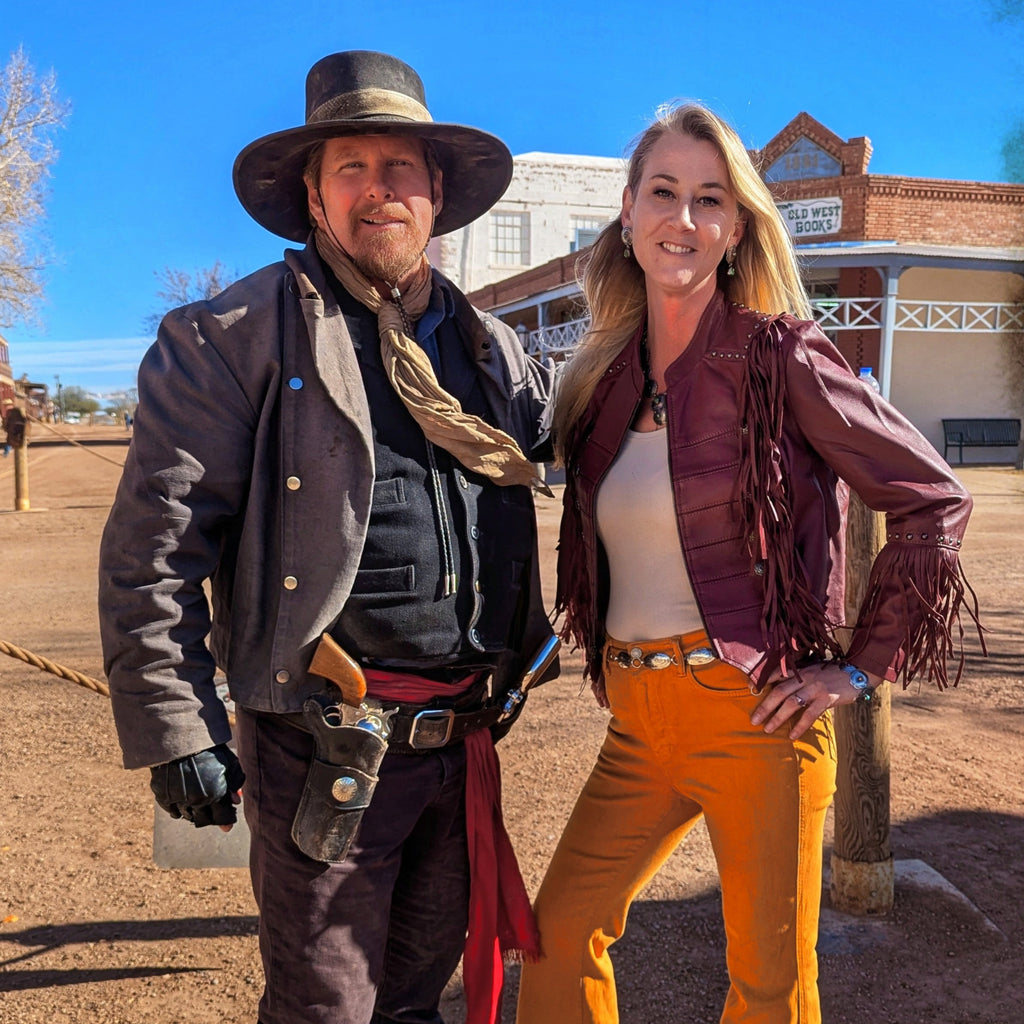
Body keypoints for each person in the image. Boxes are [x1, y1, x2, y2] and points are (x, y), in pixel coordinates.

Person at [99, 50, 557, 1024]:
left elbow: (612, 430)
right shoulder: (229, 335)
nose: (378, 190)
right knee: (327, 1011)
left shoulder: (493, 352)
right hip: (323, 747)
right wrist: (177, 723)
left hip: (461, 735)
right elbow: (157, 544)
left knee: (411, 1003)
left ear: (436, 193)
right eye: (350, 167)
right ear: (312, 197)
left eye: (399, 169)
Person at [515, 103, 978, 1024]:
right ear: (628, 212)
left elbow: (933, 498)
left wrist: (857, 668)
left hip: (752, 717)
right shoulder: (604, 382)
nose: (682, 219)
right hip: (637, 720)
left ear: (735, 228)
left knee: (769, 989)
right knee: (558, 936)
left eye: (709, 199)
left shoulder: (781, 355)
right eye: (663, 193)